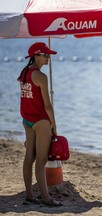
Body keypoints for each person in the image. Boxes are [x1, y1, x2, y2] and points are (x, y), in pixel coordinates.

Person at [17, 42, 62, 207]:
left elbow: (26, 98)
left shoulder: (24, 73)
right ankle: (46, 198)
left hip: (27, 120)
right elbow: (47, 105)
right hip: (41, 121)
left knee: (29, 157)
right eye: (46, 55)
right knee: (41, 161)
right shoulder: (41, 77)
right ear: (37, 56)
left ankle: (29, 195)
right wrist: (54, 126)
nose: (49, 57)